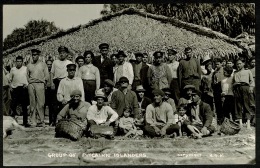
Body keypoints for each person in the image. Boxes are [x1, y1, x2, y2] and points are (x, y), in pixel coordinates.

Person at [27, 48, 49, 127]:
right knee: (32, 103)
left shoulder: (43, 64)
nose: (34, 56)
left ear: (38, 55)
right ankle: (33, 121)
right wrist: (29, 83)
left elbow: (46, 75)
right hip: (31, 84)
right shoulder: (29, 65)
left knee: (41, 103)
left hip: (40, 84)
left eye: (35, 55)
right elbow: (27, 76)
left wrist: (45, 83)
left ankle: (41, 120)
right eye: (33, 55)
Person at [233, 59, 255, 129]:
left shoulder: (248, 71)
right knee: (238, 105)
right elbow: (233, 82)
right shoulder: (235, 72)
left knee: (246, 105)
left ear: (243, 64)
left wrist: (251, 88)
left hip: (245, 87)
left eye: (240, 63)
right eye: (237, 64)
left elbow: (251, 81)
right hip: (237, 88)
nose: (238, 65)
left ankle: (248, 123)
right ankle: (240, 123)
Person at [9, 56, 29, 127]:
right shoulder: (12, 69)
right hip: (15, 89)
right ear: (15, 62)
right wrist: (10, 86)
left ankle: (25, 122)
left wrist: (27, 84)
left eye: (20, 61)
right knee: (13, 105)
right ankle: (13, 121)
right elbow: (10, 79)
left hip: (23, 88)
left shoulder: (25, 69)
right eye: (18, 61)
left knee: (24, 106)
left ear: (22, 62)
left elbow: (29, 78)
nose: (19, 63)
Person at [212, 58, 225, 124]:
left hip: (223, 88)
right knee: (218, 104)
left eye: (218, 64)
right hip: (217, 88)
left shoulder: (224, 70)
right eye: (215, 64)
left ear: (221, 63)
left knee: (224, 104)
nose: (216, 65)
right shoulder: (215, 72)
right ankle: (220, 118)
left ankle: (225, 119)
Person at [45, 59, 56, 126]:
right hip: (46, 89)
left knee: (53, 106)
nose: (49, 66)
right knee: (48, 105)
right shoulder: (44, 72)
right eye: (48, 64)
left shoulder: (54, 72)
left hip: (53, 89)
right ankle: (49, 121)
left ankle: (54, 121)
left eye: (50, 64)